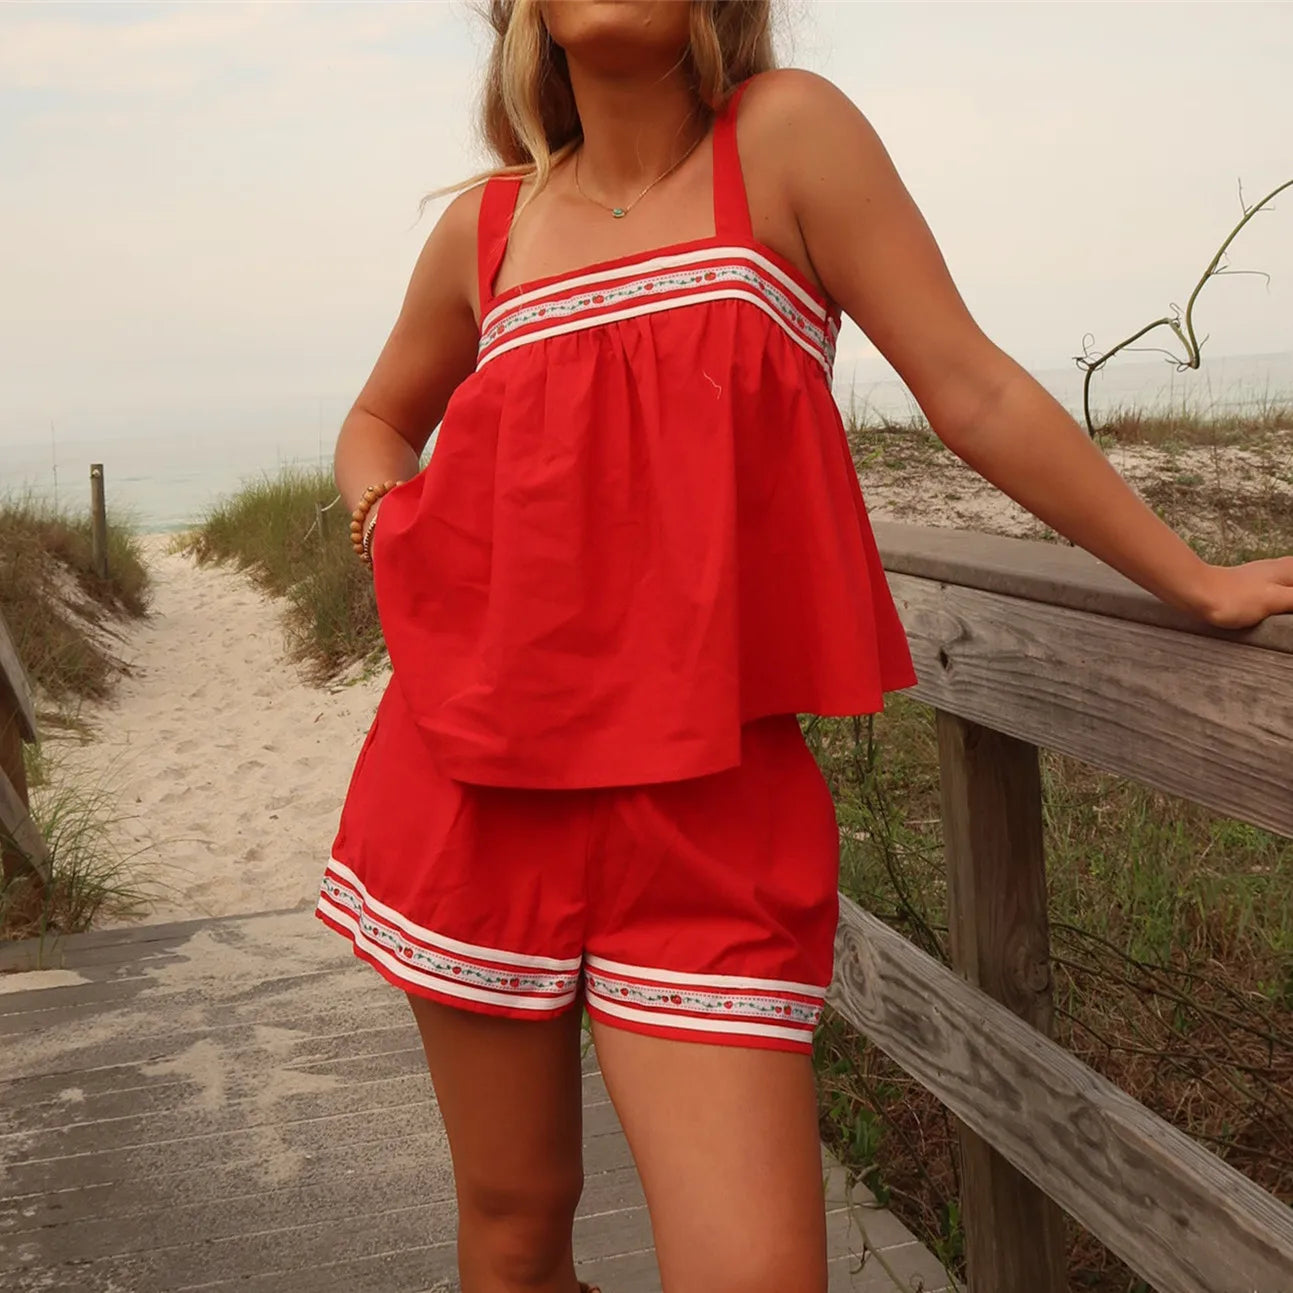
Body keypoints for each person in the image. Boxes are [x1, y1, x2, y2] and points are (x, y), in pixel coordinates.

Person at [318, 3, 1293, 1291]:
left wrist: (1194, 579)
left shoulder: (781, 143)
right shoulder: (483, 233)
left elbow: (972, 384)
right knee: (513, 1226)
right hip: (470, 788)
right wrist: (390, 528)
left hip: (709, 808)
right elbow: (380, 418)